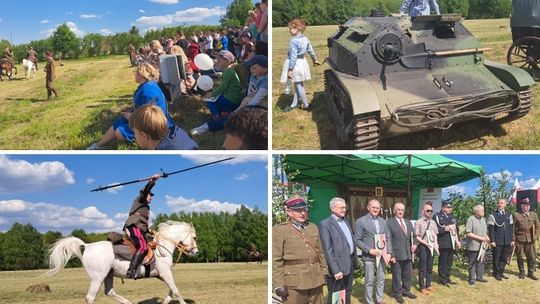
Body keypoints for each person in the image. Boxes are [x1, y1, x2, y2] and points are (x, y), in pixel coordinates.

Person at [88, 63, 174, 149]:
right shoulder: (148, 85)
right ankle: (99, 145)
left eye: (136, 72)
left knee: (119, 132)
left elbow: (149, 117)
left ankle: (99, 145)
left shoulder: (148, 92)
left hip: (155, 127)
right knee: (120, 121)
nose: (134, 74)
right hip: (153, 121)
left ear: (142, 74)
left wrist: (132, 117)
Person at [272, 197, 328, 304]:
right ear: (289, 212)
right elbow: (275, 260)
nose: (302, 213)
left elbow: (321, 252)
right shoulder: (279, 230)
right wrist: (278, 284)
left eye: (304, 210)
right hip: (294, 283)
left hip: (316, 279)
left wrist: (324, 272)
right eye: (298, 210)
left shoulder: (313, 227)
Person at [191, 50, 243, 135]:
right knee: (216, 99)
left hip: (232, 98)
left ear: (227, 61)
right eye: (217, 61)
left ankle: (216, 116)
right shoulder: (229, 71)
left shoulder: (228, 72)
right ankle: (222, 113)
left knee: (209, 99)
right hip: (234, 97)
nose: (217, 63)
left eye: (219, 61)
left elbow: (223, 86)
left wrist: (212, 94)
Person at [318, 197, 357, 304]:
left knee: (347, 292)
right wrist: (335, 270)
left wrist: (354, 262)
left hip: (349, 265)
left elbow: (350, 242)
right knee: (336, 295)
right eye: (341, 207)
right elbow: (328, 250)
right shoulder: (325, 224)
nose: (344, 209)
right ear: (333, 208)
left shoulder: (346, 221)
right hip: (337, 268)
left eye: (345, 207)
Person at [354, 199, 392, 304]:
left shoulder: (383, 221)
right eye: (373, 207)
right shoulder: (361, 221)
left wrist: (389, 252)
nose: (375, 209)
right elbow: (356, 240)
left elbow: (388, 237)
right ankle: (369, 302)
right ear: (368, 207)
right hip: (369, 256)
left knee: (380, 279)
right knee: (369, 282)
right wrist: (369, 250)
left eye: (377, 208)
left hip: (382, 256)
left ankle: (379, 300)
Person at [124, 174, 160, 279]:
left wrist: (150, 235)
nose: (151, 198)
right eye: (150, 195)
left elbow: (144, 227)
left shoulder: (146, 207)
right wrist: (152, 181)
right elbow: (144, 191)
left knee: (151, 243)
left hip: (140, 228)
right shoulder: (139, 200)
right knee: (143, 247)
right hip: (134, 226)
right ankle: (131, 271)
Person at [280, 18, 320, 112]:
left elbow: (293, 56)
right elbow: (311, 50)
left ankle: (306, 105)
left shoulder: (293, 41)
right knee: (298, 83)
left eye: (291, 28)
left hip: (295, 64)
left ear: (297, 28)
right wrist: (315, 59)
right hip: (303, 62)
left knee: (298, 85)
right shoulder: (305, 38)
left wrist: (290, 69)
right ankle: (294, 104)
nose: (289, 30)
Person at [129, 104, 198, 150]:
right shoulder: (176, 131)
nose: (135, 136)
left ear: (144, 136)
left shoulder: (164, 150)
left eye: (135, 132)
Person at [387, 202, 417, 303]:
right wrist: (391, 254)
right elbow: (388, 240)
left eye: (402, 210)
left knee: (407, 274)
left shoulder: (408, 222)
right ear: (395, 210)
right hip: (396, 254)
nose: (400, 212)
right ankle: (397, 293)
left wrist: (415, 244)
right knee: (396, 275)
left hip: (408, 253)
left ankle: (406, 290)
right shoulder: (389, 223)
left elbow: (414, 236)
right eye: (398, 209)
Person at [434, 200, 461, 287]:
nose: (450, 209)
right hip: (443, 243)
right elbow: (435, 229)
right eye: (448, 207)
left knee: (449, 262)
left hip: (451, 243)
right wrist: (446, 228)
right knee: (443, 262)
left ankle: (447, 277)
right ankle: (442, 280)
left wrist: (458, 241)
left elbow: (457, 230)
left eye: (451, 207)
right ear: (443, 207)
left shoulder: (452, 217)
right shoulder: (437, 216)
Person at [487, 198, 515, 280]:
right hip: (497, 241)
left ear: (505, 204)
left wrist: (512, 239)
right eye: (499, 203)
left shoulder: (509, 215)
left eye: (502, 203)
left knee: (504, 258)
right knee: (496, 258)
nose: (500, 204)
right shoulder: (493, 215)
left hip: (507, 240)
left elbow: (511, 228)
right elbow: (491, 229)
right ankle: (496, 273)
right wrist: (492, 241)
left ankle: (501, 272)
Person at [414, 203, 438, 295]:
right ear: (423, 211)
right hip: (423, 247)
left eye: (431, 211)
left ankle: (428, 285)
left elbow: (435, 235)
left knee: (430, 266)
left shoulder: (433, 222)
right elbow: (417, 237)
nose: (430, 212)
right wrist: (426, 244)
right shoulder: (418, 222)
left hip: (431, 247)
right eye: (428, 210)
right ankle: (421, 286)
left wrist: (436, 245)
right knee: (423, 267)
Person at [513, 197, 540, 280]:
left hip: (531, 239)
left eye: (528, 205)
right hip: (520, 239)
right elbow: (512, 228)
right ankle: (522, 272)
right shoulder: (516, 215)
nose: (527, 207)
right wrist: (513, 239)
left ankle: (530, 272)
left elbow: (538, 227)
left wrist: (535, 236)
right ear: (521, 206)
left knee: (531, 256)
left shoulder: (533, 214)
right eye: (525, 205)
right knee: (520, 256)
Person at [465, 205, 489, 285]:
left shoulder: (483, 219)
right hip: (473, 245)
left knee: (481, 261)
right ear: (476, 211)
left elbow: (485, 232)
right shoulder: (470, 219)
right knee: (472, 262)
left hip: (483, 245)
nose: (483, 211)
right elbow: (468, 233)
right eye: (481, 210)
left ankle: (480, 277)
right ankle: (471, 278)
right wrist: (480, 238)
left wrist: (487, 237)